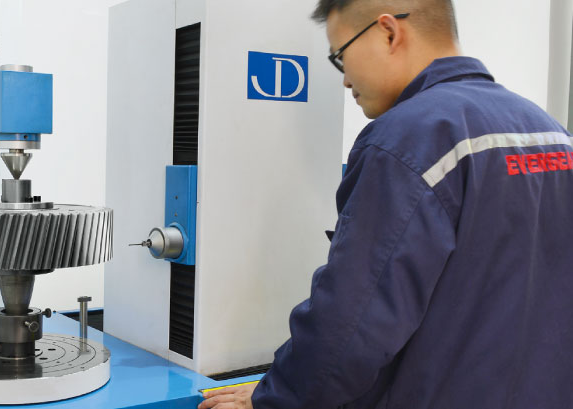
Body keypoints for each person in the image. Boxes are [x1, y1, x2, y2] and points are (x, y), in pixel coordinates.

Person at [199, 0, 573, 408]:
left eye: (341, 56)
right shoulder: (551, 133)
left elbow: (350, 328)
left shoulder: (408, 140)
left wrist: (274, 397)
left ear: (389, 32)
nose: (345, 81)